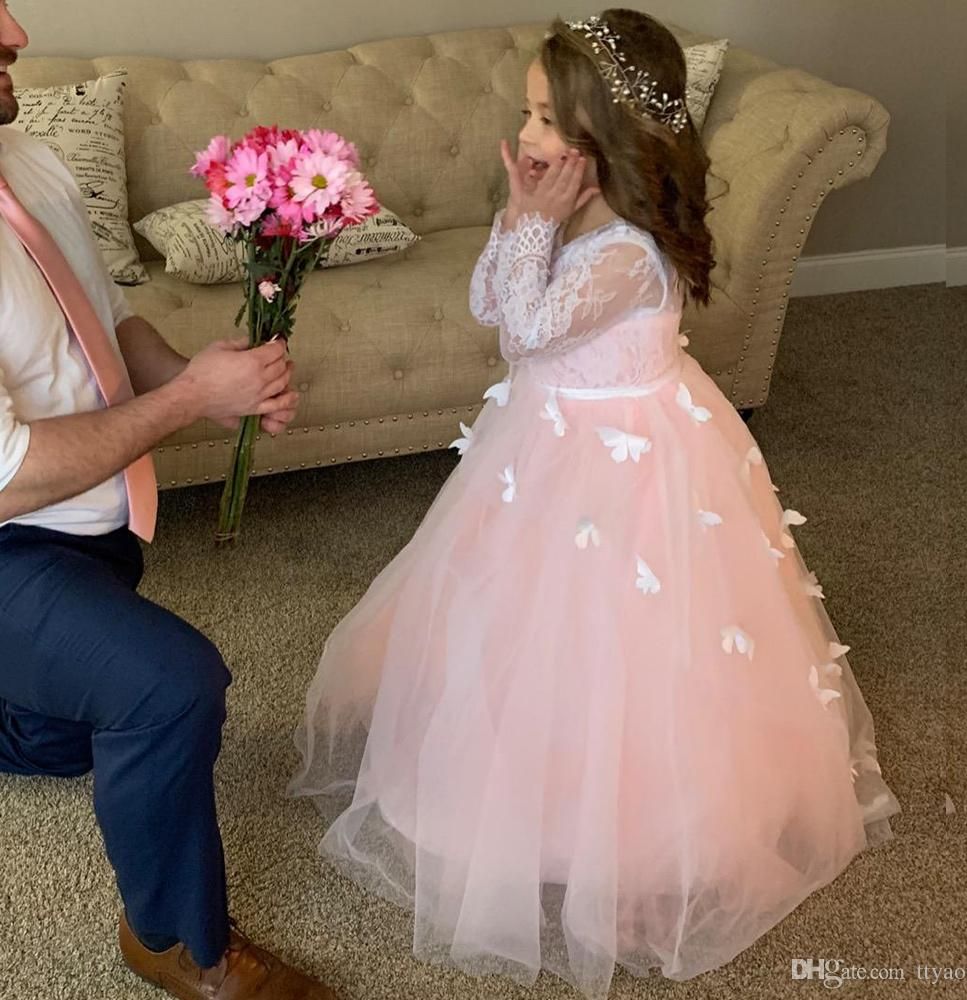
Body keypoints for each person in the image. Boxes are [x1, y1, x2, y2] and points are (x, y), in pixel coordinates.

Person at [290, 9, 900, 999]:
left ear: (603, 140)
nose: (527, 137)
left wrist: (529, 222)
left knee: (624, 637)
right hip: (543, 448)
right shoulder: (570, 217)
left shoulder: (628, 252)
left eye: (544, 120)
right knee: (515, 620)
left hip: (625, 468)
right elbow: (496, 302)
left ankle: (630, 814)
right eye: (526, 114)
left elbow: (525, 332)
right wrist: (520, 216)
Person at [0, 3, 336, 997]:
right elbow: (8, 471)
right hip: (14, 529)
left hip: (89, 530)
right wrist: (191, 401)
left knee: (65, 738)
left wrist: (201, 373)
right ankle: (174, 941)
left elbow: (106, 321)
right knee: (165, 685)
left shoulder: (32, 157)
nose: (16, 31)